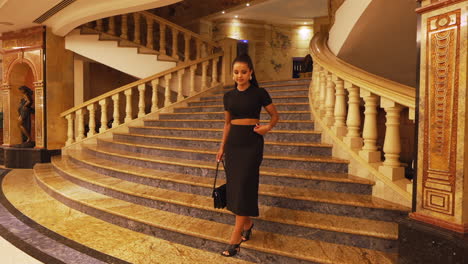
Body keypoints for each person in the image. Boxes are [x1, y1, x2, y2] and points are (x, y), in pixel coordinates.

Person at [216, 54, 279, 257]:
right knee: (236, 186)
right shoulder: (228, 96)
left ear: (251, 72)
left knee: (244, 184)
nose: (240, 75)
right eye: (236, 72)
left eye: (243, 72)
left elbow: (275, 116)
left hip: (252, 144)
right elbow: (227, 124)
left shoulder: (260, 93)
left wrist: (267, 128)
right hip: (234, 144)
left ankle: (236, 235)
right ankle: (248, 223)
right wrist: (221, 148)